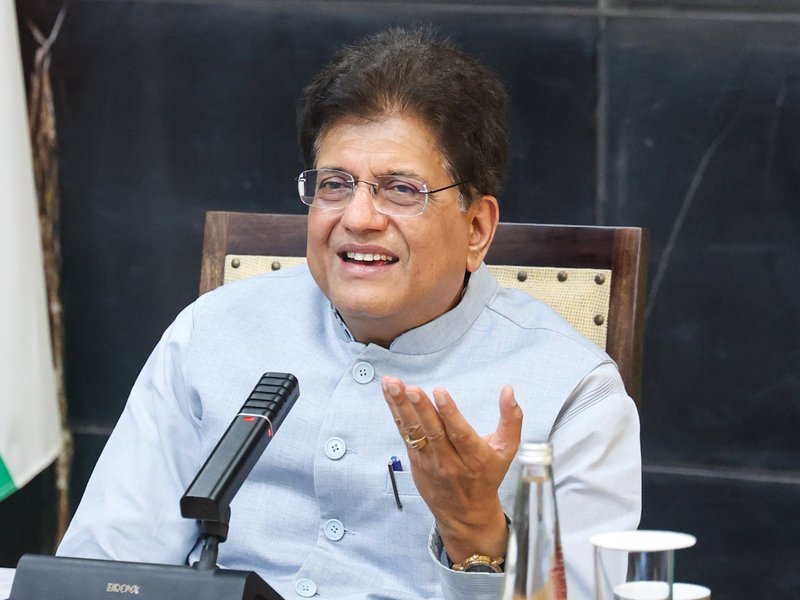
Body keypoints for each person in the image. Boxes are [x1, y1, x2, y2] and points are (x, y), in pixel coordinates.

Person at [57, 26, 640, 599]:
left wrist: (475, 531)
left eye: (401, 189)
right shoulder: (212, 332)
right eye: (335, 184)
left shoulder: (574, 392)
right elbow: (102, 569)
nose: (358, 218)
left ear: (477, 228)